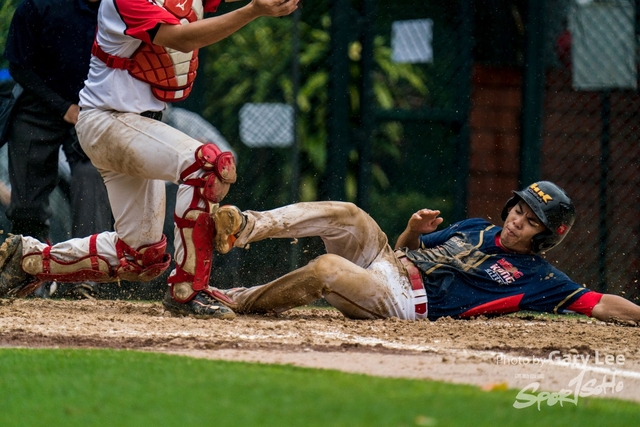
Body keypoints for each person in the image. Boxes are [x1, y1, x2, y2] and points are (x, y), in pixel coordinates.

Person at [0, 0, 299, 319]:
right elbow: (183, 38)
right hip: (108, 122)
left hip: (134, 124)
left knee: (142, 257)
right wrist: (253, 10)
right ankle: (188, 291)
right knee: (208, 166)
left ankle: (29, 260)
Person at [205, 181, 640, 324]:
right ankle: (245, 226)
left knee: (328, 269)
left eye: (529, 220)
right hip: (391, 264)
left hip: (406, 303)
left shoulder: (539, 277)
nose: (516, 220)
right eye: (518, 209)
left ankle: (240, 300)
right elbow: (404, 251)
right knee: (348, 212)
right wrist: (412, 231)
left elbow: (599, 302)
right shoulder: (476, 227)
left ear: (544, 236)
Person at [3, 0, 113, 242]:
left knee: (91, 175)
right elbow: (19, 67)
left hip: (93, 107)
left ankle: (87, 269)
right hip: (37, 104)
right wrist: (63, 107)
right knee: (26, 204)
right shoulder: (37, 5)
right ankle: (30, 265)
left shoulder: (123, 8)